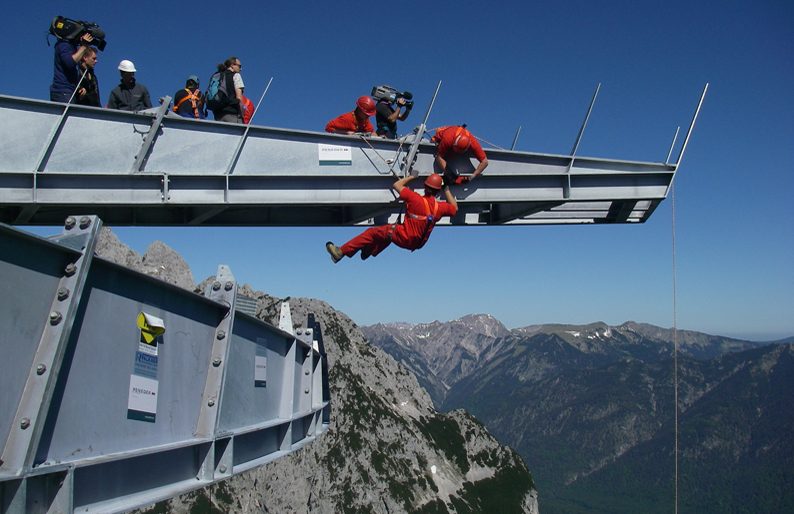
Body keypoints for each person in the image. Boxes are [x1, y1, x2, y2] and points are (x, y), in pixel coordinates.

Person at [325, 173, 457, 262]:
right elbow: (455, 208)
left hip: (405, 237)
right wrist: (447, 189)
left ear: (425, 186)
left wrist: (411, 176)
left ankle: (340, 252)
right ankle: (369, 252)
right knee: (387, 234)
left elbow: (397, 185)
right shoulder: (439, 208)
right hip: (417, 244)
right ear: (438, 190)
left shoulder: (414, 198)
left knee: (372, 232)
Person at [49, 32, 95, 103]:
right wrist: (84, 46)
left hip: (68, 91)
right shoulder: (64, 45)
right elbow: (70, 63)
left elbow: (71, 71)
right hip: (63, 91)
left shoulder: (71, 46)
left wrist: (78, 87)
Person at [209, 57, 244, 123]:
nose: (241, 69)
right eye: (239, 66)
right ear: (232, 65)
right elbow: (239, 98)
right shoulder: (236, 76)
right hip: (232, 114)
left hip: (218, 115)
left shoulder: (218, 75)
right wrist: (242, 114)